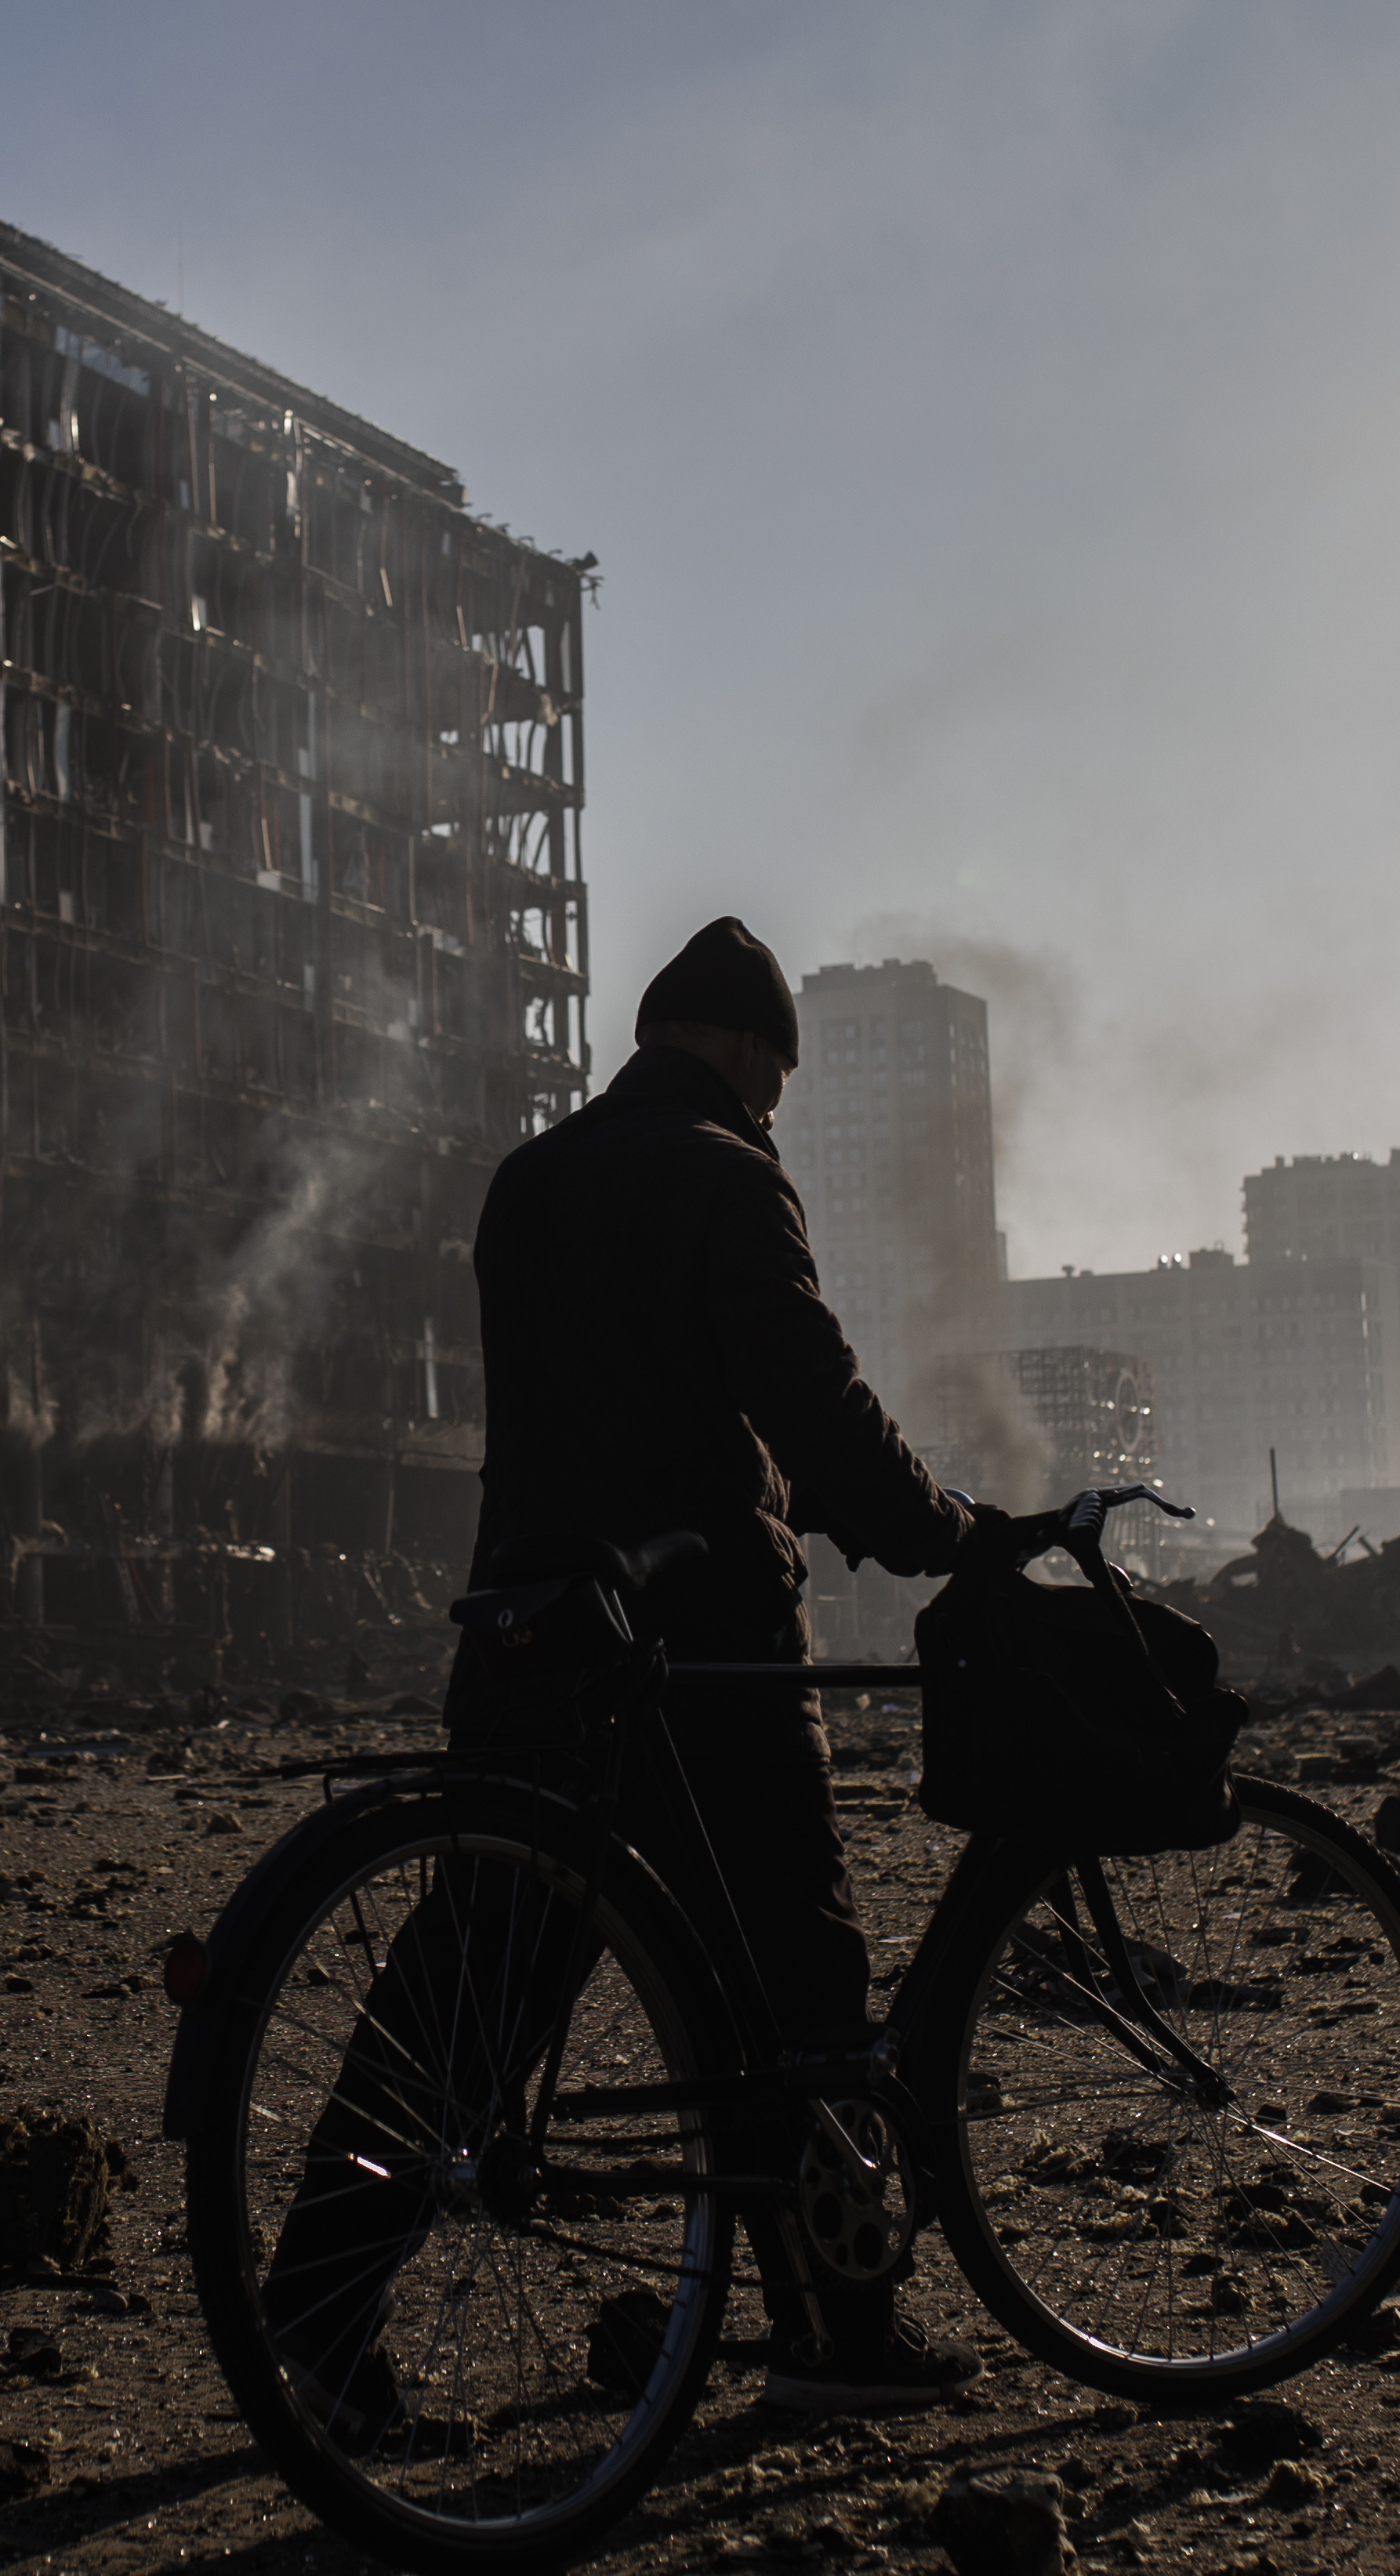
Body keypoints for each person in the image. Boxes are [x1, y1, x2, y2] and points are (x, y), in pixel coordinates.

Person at [259, 916, 985, 2434]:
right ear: (747, 1049)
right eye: (777, 1075)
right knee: (796, 1984)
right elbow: (806, 1394)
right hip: (702, 1652)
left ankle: (318, 2317)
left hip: (530, 1631)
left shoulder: (529, 1181)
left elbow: (606, 1401)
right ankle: (837, 2331)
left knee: (472, 1989)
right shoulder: (728, 1175)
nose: (774, 1102)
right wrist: (937, 1529)